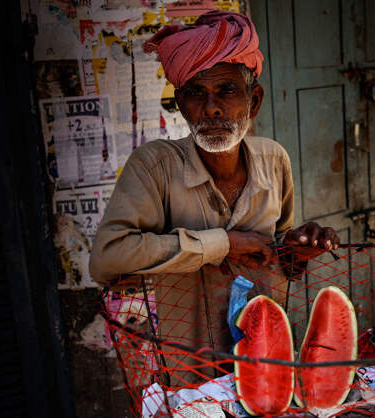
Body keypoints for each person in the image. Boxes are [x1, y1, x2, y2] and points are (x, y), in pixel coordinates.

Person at [89, 10, 339, 381]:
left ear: (253, 101)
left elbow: (279, 251)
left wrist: (297, 251)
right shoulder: (154, 165)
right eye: (196, 94)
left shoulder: (274, 159)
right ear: (180, 103)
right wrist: (220, 244)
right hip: (186, 367)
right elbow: (107, 259)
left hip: (264, 358)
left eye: (226, 91)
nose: (211, 108)